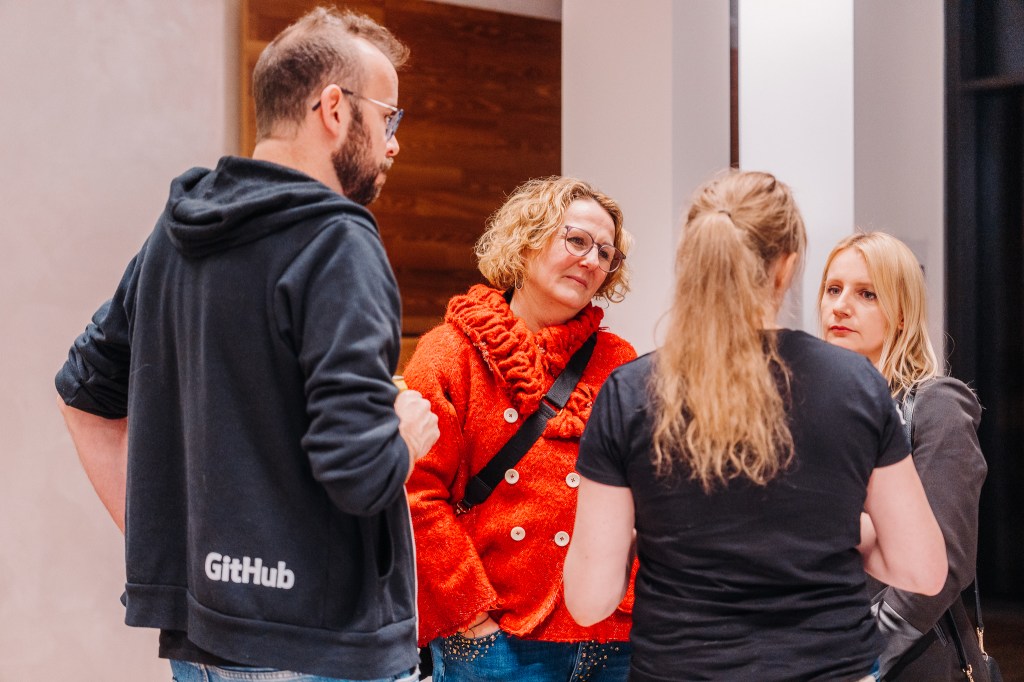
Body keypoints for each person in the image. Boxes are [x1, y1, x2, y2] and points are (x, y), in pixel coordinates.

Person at [54, 8, 439, 682]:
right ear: (333, 109)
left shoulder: (173, 236)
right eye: (388, 118)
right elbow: (359, 472)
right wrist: (404, 436)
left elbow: (82, 395)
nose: (393, 145)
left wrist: (180, 558)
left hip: (203, 642)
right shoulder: (339, 242)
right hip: (321, 652)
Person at [563, 170, 948, 682]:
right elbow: (922, 570)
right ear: (787, 265)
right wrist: (832, 525)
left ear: (693, 258)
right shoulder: (854, 384)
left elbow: (589, 601)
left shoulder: (629, 392)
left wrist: (648, 532)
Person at [404, 176, 637, 681]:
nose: (591, 260)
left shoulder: (619, 361)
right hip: (498, 638)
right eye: (577, 240)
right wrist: (471, 614)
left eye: (605, 253)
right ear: (527, 239)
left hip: (611, 635)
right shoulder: (451, 351)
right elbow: (416, 491)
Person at [819, 231, 989, 681]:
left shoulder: (937, 405)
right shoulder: (809, 410)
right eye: (833, 289)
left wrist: (861, 659)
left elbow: (946, 560)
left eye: (867, 294)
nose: (840, 306)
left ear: (900, 314)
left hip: (903, 663)